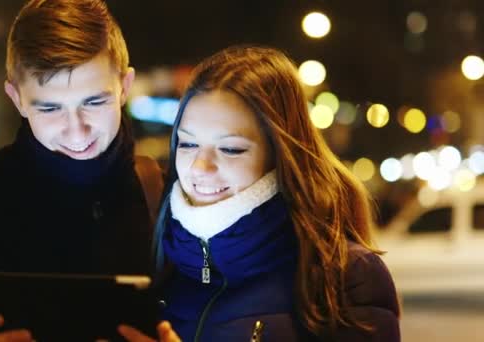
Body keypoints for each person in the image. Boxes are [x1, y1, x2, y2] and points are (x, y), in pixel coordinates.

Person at [0, 0, 168, 341]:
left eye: (94, 102)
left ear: (124, 87)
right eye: (51, 108)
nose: (77, 130)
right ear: (16, 97)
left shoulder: (177, 202)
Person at [121, 45, 401, 341]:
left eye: (230, 149)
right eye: (188, 144)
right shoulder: (159, 261)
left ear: (280, 155)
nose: (200, 167)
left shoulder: (346, 278)